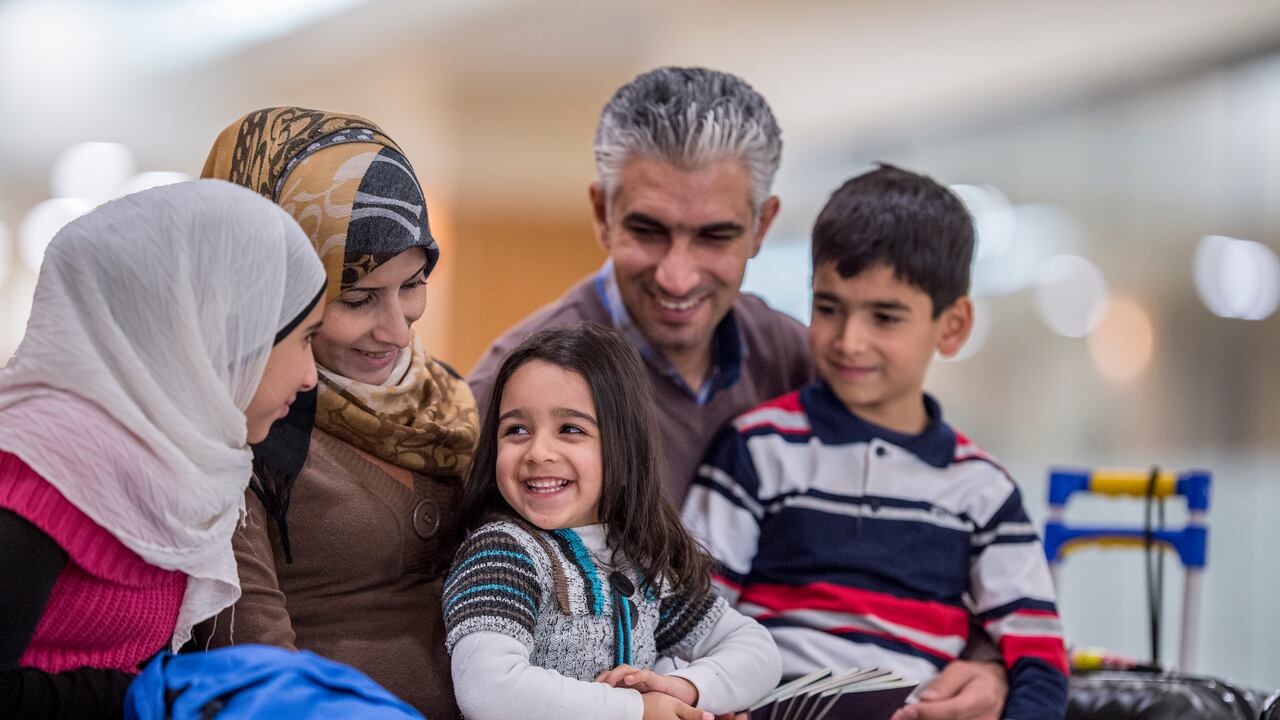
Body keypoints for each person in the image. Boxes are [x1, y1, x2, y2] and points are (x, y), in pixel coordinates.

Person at [468, 67, 1009, 719]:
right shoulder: (511, 392)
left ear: (762, 225)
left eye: (715, 236)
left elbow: (924, 521)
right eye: (649, 230)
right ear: (601, 214)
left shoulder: (800, 360)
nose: (677, 273)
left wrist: (987, 657)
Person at [682, 166, 1069, 720]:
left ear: (953, 326)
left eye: (885, 317)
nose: (848, 340)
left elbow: (1037, 652)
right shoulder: (756, 448)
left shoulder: (983, 490)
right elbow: (693, 611)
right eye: (829, 307)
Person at [0, 179, 327, 718]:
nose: (312, 375)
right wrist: (153, 698)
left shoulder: (174, 458)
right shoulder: (42, 463)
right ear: (227, 334)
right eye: (305, 338)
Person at [197, 107, 479, 719]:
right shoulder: (239, 431)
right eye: (357, 298)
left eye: (414, 283)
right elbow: (254, 669)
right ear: (271, 287)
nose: (398, 332)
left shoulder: (451, 403)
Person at [445, 323, 781, 720]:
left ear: (625, 445)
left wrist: (688, 689)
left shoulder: (639, 559)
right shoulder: (503, 553)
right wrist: (637, 710)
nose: (538, 451)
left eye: (570, 429)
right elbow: (487, 689)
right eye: (516, 429)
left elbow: (757, 649)